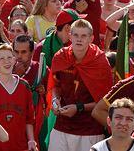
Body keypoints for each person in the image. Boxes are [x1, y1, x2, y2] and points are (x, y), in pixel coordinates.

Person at [48, 19, 113, 151]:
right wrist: (55, 100)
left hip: (90, 129)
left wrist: (79, 108)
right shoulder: (61, 57)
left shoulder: (99, 61)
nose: (79, 39)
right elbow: (55, 86)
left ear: (91, 38)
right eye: (76, 35)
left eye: (84, 36)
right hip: (63, 125)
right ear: (70, 37)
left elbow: (105, 100)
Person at [0, 43, 37, 151]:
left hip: (21, 147)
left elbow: (29, 119)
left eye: (9, 57)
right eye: (1, 58)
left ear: (14, 60)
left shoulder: (24, 86)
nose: (7, 62)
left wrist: (31, 141)